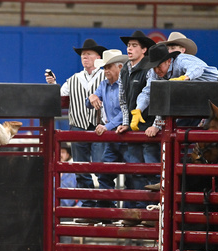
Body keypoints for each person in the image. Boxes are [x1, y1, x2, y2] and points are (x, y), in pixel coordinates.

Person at [45, 38, 106, 209]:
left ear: (98, 57)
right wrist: (52, 85)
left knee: (100, 166)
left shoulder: (105, 75)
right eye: (83, 55)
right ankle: (87, 202)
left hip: (99, 126)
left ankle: (103, 201)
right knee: (81, 168)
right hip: (78, 126)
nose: (84, 57)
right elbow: (60, 94)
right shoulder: (74, 78)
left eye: (88, 54)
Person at [115, 30, 156, 226]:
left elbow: (153, 97)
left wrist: (156, 124)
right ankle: (141, 211)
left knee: (151, 169)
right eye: (128, 45)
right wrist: (125, 122)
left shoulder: (150, 68)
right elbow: (123, 100)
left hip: (148, 128)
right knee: (136, 170)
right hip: (134, 128)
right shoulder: (125, 70)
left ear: (144, 49)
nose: (129, 49)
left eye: (134, 46)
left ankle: (152, 210)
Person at [84, 49, 128, 218]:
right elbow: (90, 103)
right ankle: (106, 211)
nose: (106, 71)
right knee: (105, 174)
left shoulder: (125, 84)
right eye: (104, 68)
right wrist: (92, 96)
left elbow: (126, 111)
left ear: (119, 67)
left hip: (125, 136)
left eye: (109, 67)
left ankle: (130, 213)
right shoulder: (104, 85)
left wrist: (107, 126)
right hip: (113, 136)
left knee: (134, 175)